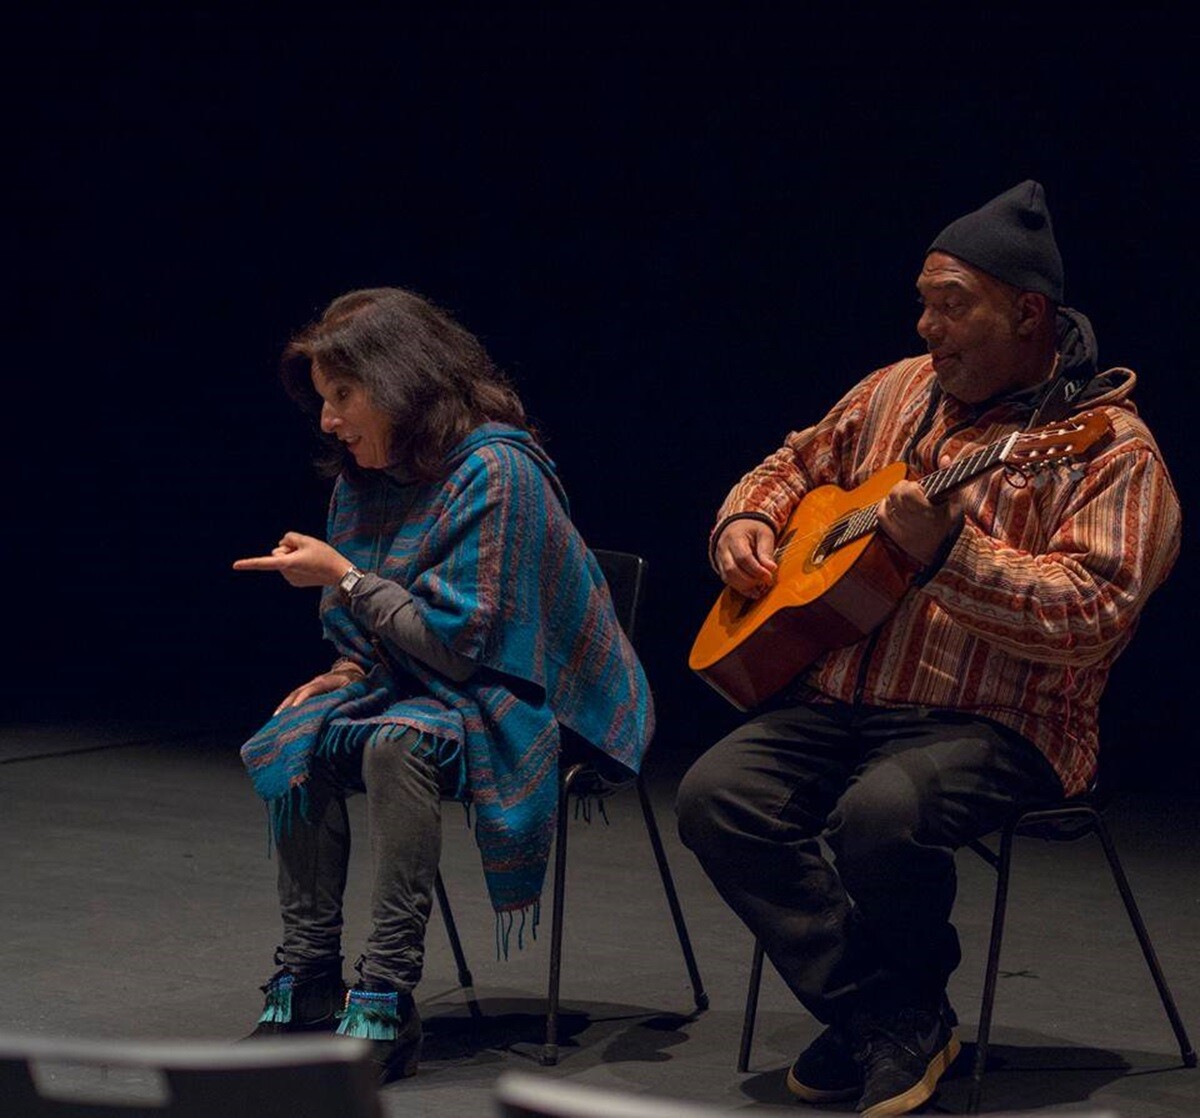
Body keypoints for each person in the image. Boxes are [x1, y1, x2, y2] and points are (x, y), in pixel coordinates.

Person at [675, 182, 1180, 1117]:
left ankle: (882, 1022)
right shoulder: (896, 390)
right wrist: (746, 520)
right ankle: (888, 1017)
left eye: (952, 304)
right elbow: (792, 466)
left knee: (883, 812)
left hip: (1007, 723)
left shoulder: (1109, 450)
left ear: (1027, 312)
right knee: (716, 798)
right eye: (923, 301)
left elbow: (1090, 617)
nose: (926, 326)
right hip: (841, 705)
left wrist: (947, 552)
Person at [232, 287, 653, 1084]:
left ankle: (385, 997)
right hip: (418, 682)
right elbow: (374, 630)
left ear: (399, 381)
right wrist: (345, 669)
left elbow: (464, 652)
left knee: (396, 745)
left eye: (343, 397)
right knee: (296, 736)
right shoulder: (367, 474)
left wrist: (345, 577)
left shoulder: (498, 471)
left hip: (525, 692)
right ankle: (312, 981)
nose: (329, 420)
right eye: (324, 400)